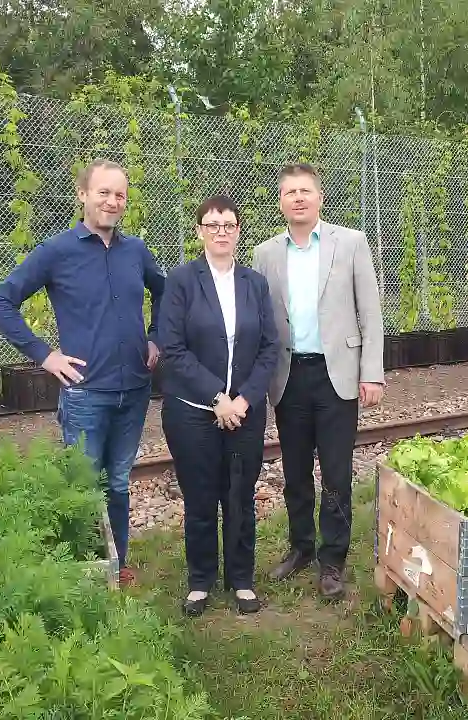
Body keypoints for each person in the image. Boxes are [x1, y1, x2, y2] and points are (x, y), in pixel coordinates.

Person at [0, 157, 164, 589]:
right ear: (83, 194)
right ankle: (89, 570)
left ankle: (118, 563)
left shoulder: (135, 251)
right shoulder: (56, 252)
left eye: (119, 194)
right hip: (86, 393)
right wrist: (46, 356)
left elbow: (164, 292)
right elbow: (2, 303)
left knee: (119, 482)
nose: (112, 201)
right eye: (103, 192)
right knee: (83, 486)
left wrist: (156, 337)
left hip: (134, 390)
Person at [251, 162, 385, 601]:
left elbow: (371, 313)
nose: (298, 198)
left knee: (337, 473)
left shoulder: (350, 243)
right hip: (289, 377)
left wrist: (372, 373)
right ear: (280, 201)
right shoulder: (265, 254)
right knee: (294, 472)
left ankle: (333, 560)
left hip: (337, 375)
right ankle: (301, 547)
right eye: (289, 192)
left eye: (305, 190)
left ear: (319, 197)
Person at [158, 194, 280, 617]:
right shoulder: (181, 282)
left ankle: (242, 579)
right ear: (200, 232)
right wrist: (217, 398)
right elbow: (172, 348)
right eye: (212, 225)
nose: (221, 232)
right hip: (193, 409)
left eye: (228, 224)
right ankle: (200, 580)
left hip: (244, 411)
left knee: (240, 496)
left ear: (238, 231)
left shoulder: (254, 283)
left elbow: (269, 347)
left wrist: (243, 398)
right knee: (200, 496)